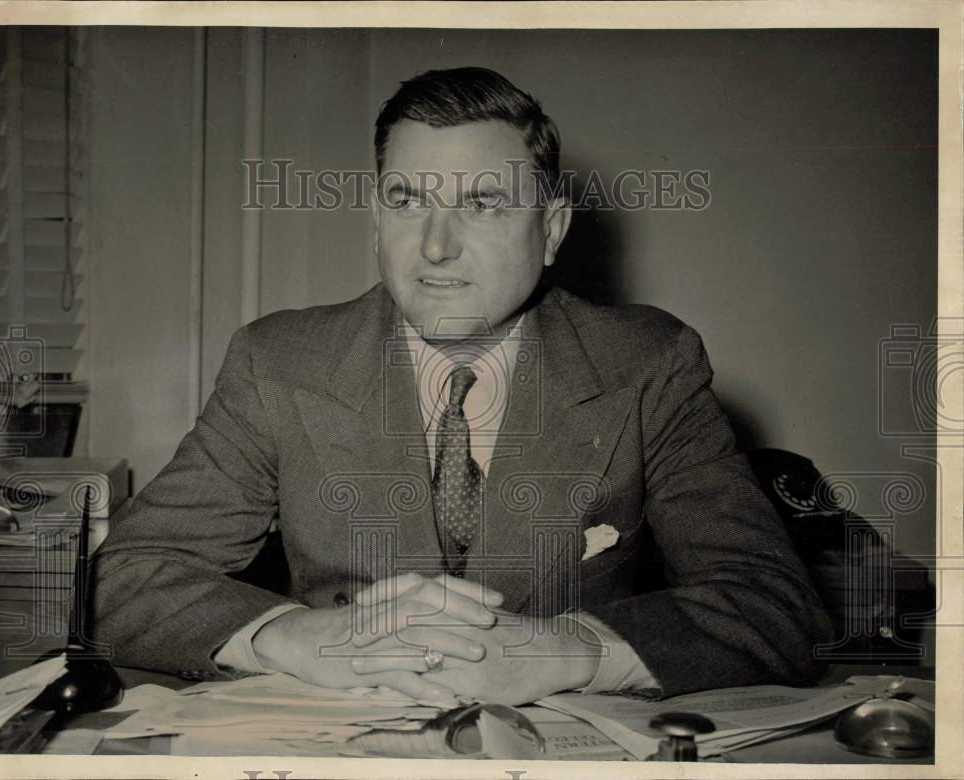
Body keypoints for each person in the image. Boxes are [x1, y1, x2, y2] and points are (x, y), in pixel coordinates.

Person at [90, 66, 832, 705]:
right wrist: (287, 636)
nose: (437, 246)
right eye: (409, 200)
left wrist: (568, 654)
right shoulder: (278, 363)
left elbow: (774, 605)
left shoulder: (646, 365)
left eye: (482, 204)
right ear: (378, 218)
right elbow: (127, 576)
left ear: (550, 232)